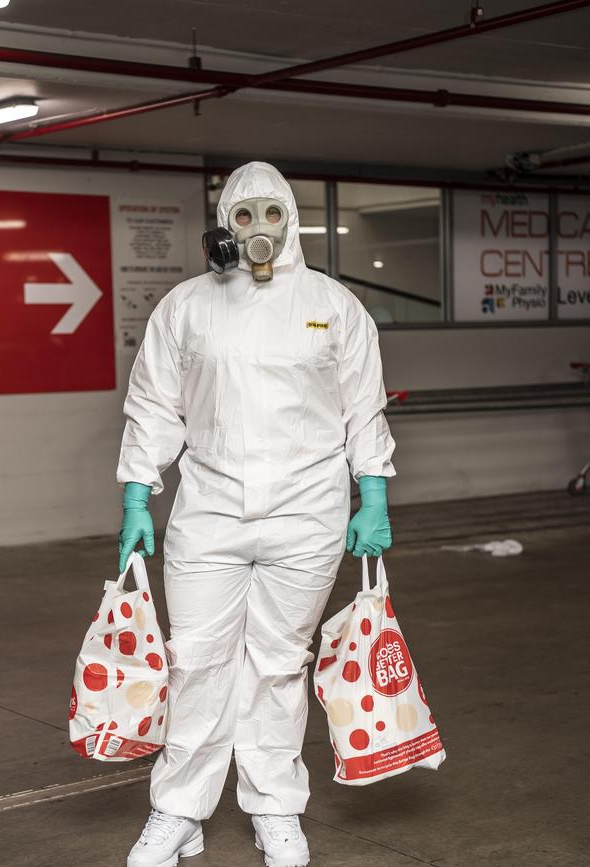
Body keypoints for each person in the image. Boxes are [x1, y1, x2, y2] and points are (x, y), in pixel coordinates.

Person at [117, 161, 395, 867]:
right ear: (225, 224)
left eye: (273, 215)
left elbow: (364, 405)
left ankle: (276, 807)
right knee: (196, 660)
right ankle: (179, 810)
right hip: (209, 511)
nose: (261, 230)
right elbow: (155, 403)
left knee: (278, 665)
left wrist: (374, 497)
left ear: (292, 220)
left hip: (309, 513)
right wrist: (136, 493)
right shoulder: (187, 304)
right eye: (246, 217)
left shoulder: (334, 304)